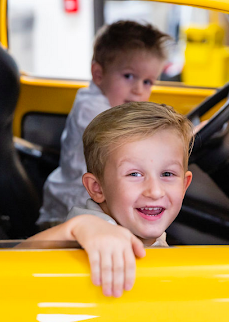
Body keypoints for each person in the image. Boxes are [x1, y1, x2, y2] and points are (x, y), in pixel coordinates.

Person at [27, 102, 194, 298]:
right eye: (134, 174)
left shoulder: (147, 234)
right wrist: (76, 229)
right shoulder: (91, 230)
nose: (155, 191)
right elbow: (12, 261)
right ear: (97, 188)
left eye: (167, 173)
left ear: (184, 185)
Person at [37, 20, 171, 228]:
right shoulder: (92, 109)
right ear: (98, 74)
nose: (138, 90)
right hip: (68, 215)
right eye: (128, 76)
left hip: (96, 205)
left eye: (147, 82)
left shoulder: (113, 104)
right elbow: (131, 142)